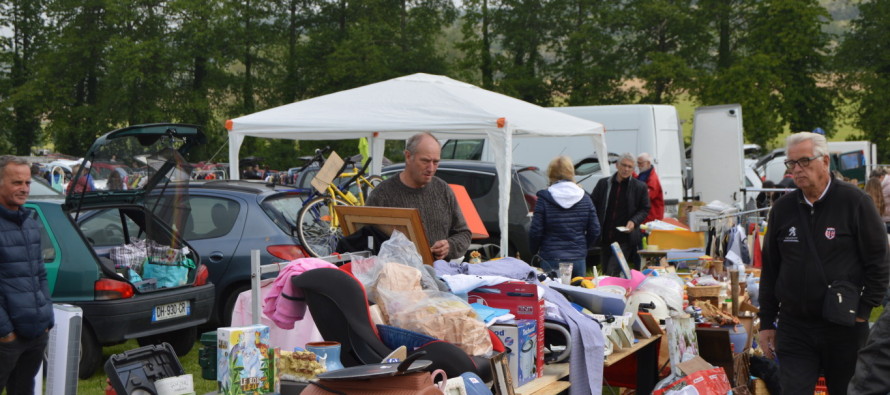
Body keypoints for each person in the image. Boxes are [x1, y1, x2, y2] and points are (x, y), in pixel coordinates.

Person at [757, 132, 889, 395]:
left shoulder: (855, 202)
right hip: (795, 326)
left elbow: (880, 263)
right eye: (791, 163)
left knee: (846, 391)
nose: (797, 169)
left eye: (804, 161)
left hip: (843, 327)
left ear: (825, 161)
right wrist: (767, 323)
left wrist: (863, 310)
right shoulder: (783, 209)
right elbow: (770, 269)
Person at [366, 132, 471, 261]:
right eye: (425, 161)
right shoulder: (382, 194)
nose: (431, 168)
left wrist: (449, 246)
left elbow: (464, 234)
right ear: (408, 156)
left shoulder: (443, 190)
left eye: (436, 162)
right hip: (398, 277)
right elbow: (367, 243)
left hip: (440, 275)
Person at [0, 155, 54, 395]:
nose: (24, 189)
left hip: (35, 333)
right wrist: (5, 333)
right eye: (16, 182)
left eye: (27, 183)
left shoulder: (30, 223)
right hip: (6, 337)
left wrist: (46, 316)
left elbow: (39, 274)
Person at [528, 156, 601, 278]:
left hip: (551, 257)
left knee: (552, 295)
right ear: (571, 172)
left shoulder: (544, 199)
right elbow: (595, 230)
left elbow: (535, 231)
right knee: (578, 294)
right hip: (577, 258)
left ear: (550, 173)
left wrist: (534, 251)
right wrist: (582, 247)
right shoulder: (585, 198)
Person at [591, 153, 650, 276]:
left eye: (630, 167)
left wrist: (634, 221)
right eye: (624, 165)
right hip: (605, 237)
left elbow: (644, 209)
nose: (626, 169)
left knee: (612, 271)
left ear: (633, 169)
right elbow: (593, 204)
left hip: (625, 238)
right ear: (617, 165)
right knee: (606, 271)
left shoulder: (639, 187)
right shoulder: (603, 184)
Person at [635, 153, 664, 224]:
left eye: (640, 163)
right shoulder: (645, 174)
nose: (638, 166)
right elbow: (637, 180)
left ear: (648, 163)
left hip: (652, 217)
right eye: (637, 163)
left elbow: (647, 196)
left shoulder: (652, 179)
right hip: (647, 216)